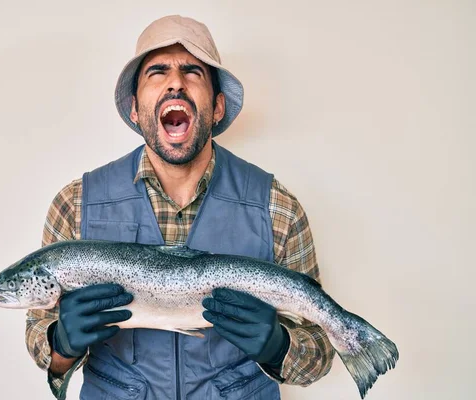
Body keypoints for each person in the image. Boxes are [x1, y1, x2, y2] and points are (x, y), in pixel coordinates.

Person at [26, 15, 335, 400]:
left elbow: (321, 348)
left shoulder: (278, 207)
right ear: (136, 109)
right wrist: (60, 345)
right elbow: (40, 334)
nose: (176, 82)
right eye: (157, 71)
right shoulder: (74, 204)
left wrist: (280, 346)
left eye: (193, 71)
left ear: (218, 107)